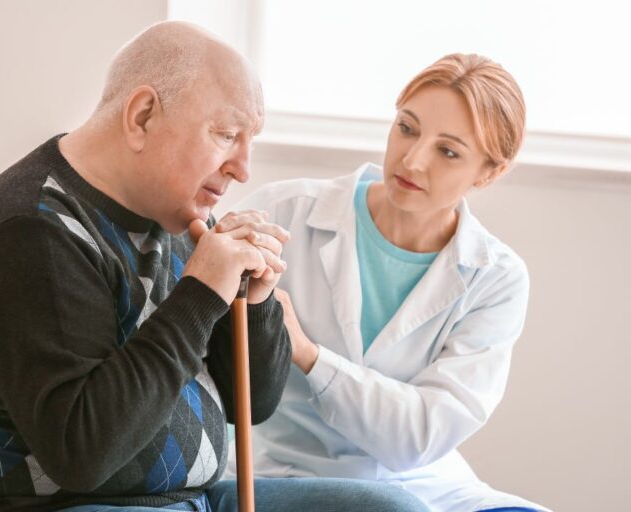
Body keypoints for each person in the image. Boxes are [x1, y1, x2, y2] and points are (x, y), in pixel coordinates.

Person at [0, 21, 429, 512]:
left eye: (249, 143)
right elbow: (83, 454)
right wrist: (200, 294)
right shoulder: (31, 232)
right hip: (48, 506)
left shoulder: (173, 212)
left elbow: (252, 405)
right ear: (143, 116)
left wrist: (254, 302)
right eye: (226, 135)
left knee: (395, 509)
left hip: (182, 499)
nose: (243, 169)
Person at [226, 54, 550, 511]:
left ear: (490, 172)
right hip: (286, 473)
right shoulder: (283, 213)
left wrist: (306, 352)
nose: (412, 160)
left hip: (424, 484)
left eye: (448, 151)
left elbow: (420, 435)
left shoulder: (496, 278)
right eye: (407, 128)